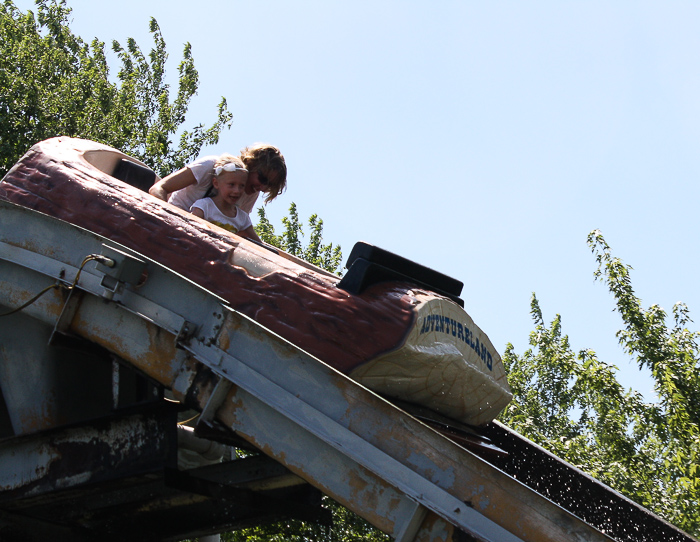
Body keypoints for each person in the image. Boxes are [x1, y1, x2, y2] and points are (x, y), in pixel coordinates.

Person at [148, 143, 287, 215]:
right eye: (262, 179)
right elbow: (158, 188)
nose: (262, 188)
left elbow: (237, 225)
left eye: (269, 185)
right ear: (251, 163)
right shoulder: (210, 166)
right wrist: (166, 216)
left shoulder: (251, 194)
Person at [188, 155, 262, 243]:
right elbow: (190, 228)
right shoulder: (204, 206)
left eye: (241, 186)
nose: (236, 191)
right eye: (231, 184)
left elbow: (258, 245)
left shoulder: (243, 218)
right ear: (216, 183)